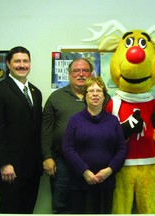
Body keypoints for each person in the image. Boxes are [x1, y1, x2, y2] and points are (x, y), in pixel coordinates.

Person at [41, 58, 110, 213]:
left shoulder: (101, 97)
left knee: (91, 206)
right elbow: (46, 130)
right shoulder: (56, 98)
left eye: (85, 70)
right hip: (62, 163)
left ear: (91, 73)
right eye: (76, 71)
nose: (80, 74)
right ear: (69, 74)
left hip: (94, 164)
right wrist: (47, 157)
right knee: (62, 205)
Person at [0, 46, 43, 213]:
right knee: (10, 210)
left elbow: (36, 129)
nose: (22, 65)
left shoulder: (35, 92)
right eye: (17, 61)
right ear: (8, 64)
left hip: (32, 168)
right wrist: (4, 163)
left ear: (30, 64)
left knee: (27, 210)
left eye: (25, 61)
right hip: (11, 168)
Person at [62, 76, 127, 214]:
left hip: (106, 182)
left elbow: (121, 148)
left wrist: (109, 170)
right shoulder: (75, 120)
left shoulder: (113, 121)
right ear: (85, 96)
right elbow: (68, 148)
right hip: (80, 182)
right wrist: (85, 172)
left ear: (104, 96)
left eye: (99, 91)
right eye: (91, 91)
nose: (95, 94)